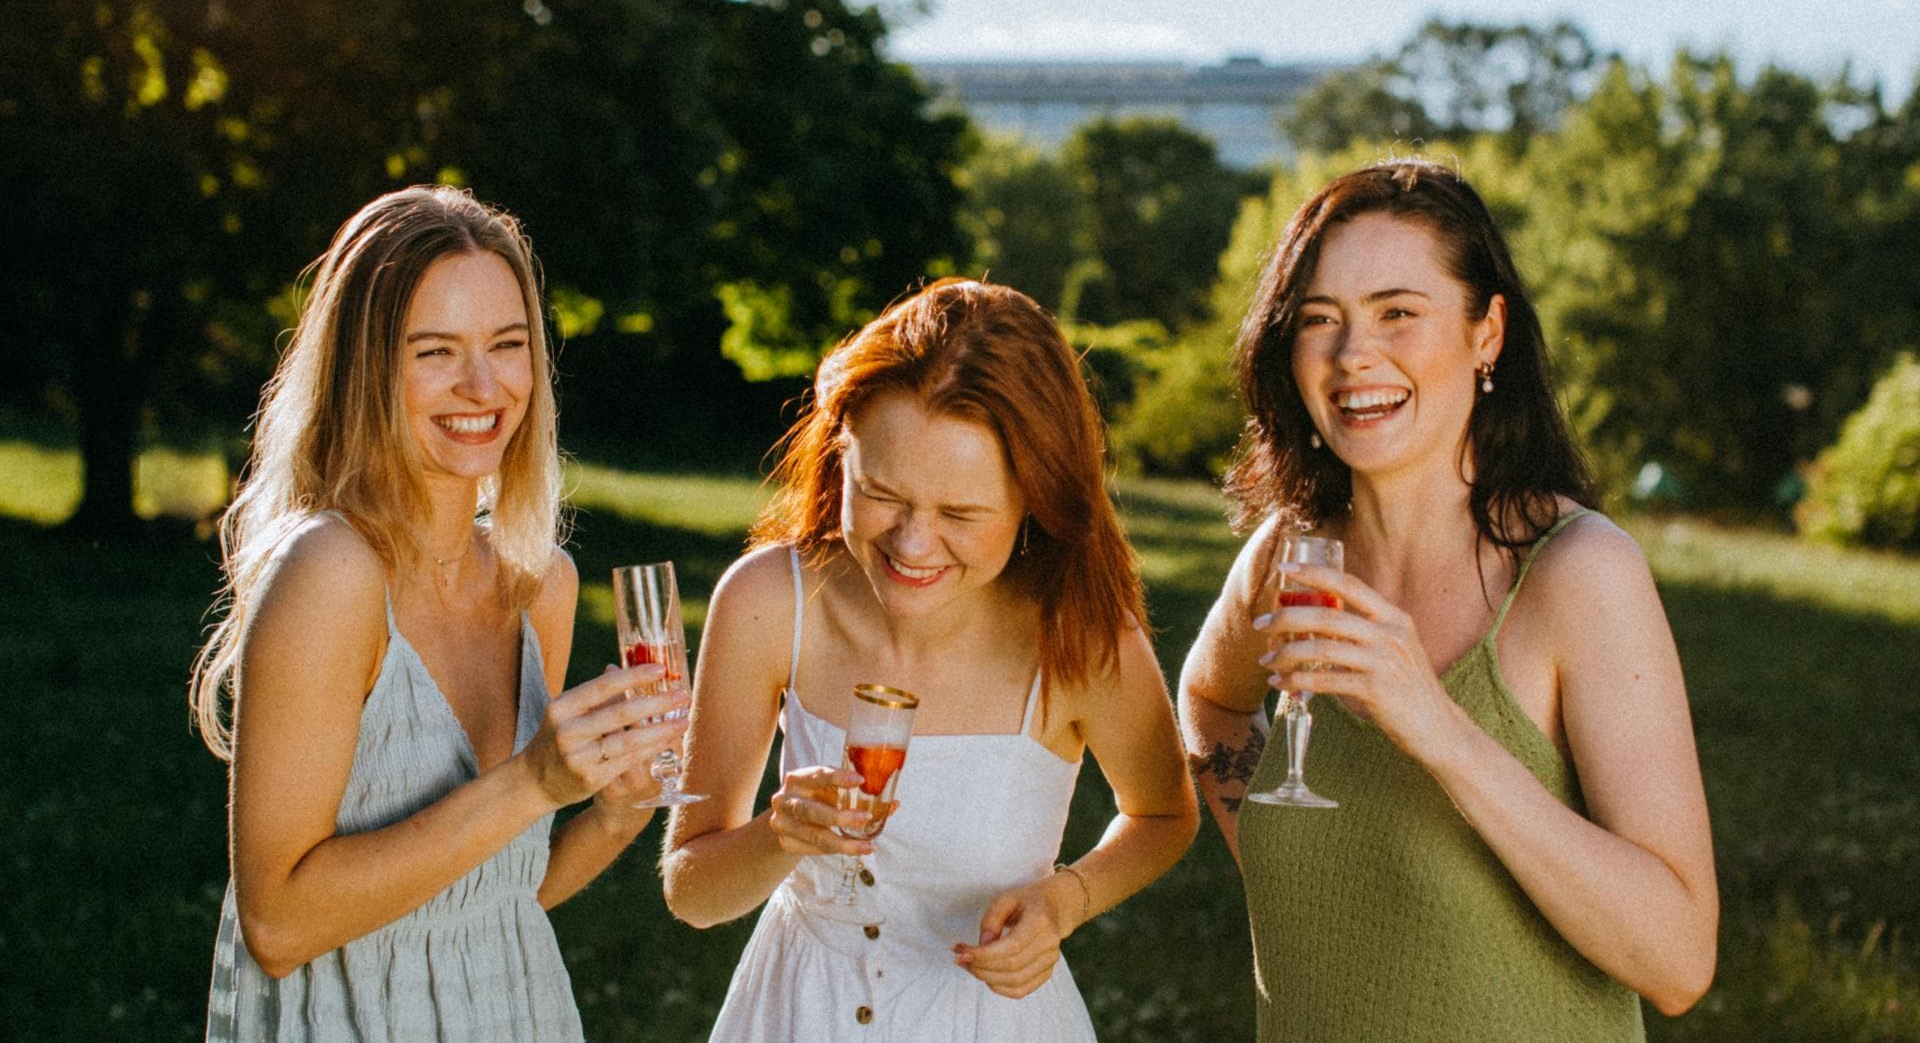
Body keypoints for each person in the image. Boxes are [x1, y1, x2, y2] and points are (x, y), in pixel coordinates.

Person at [1178, 159, 1718, 1041]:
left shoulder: (1579, 573)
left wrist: (1435, 726)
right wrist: (1279, 851)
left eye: (1397, 312)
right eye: (1320, 318)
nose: (1353, 355)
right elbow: (1210, 697)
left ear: (1486, 333)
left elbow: (1679, 961)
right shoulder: (1292, 553)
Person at [188, 185, 687, 1041]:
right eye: (435, 352)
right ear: (366, 369)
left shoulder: (540, 586)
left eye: (508, 345)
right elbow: (277, 925)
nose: (483, 385)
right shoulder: (331, 574)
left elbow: (497, 897)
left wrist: (615, 810)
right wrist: (532, 782)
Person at [660, 278, 1198, 1041]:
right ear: (842, 456)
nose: (912, 544)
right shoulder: (769, 601)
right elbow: (691, 893)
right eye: (883, 494)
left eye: (960, 514)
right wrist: (780, 833)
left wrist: (1065, 902)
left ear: (1035, 498)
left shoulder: (1083, 643)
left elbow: (1165, 814)